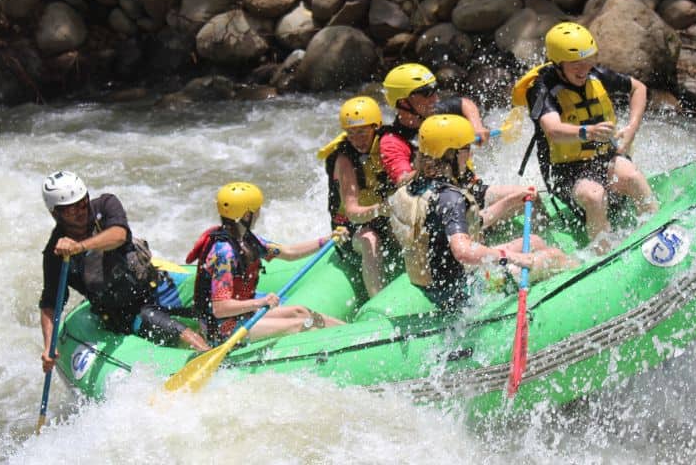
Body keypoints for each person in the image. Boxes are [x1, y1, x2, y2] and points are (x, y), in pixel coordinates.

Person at [389, 115, 574, 311]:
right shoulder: (449, 198)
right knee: (554, 256)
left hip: (437, 287)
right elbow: (463, 251)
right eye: (466, 149)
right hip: (466, 291)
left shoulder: (416, 187)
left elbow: (470, 223)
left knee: (535, 241)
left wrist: (510, 201)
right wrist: (509, 256)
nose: (470, 156)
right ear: (450, 154)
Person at [39, 171, 209, 374]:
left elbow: (119, 235)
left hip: (156, 285)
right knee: (180, 331)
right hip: (127, 313)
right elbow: (50, 303)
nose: (79, 211)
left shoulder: (105, 205)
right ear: (55, 214)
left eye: (82, 203)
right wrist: (49, 344)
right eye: (70, 209)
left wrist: (80, 246)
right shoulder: (55, 253)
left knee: (212, 296)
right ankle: (211, 356)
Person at [512, 22, 657, 251]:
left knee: (632, 176)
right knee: (594, 195)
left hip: (602, 157)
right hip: (566, 170)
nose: (584, 68)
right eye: (576, 64)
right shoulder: (540, 89)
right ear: (559, 64)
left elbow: (638, 88)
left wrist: (631, 128)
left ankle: (657, 230)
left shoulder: (595, 74)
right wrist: (587, 132)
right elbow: (553, 130)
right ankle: (603, 253)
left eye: (588, 60)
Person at [186, 182, 345, 343]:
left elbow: (289, 253)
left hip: (242, 315)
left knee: (300, 311)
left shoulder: (247, 241)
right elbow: (220, 308)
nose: (259, 214)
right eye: (256, 210)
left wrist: (325, 241)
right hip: (221, 328)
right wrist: (260, 302)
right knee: (300, 324)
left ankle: (351, 331)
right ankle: (346, 342)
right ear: (247, 215)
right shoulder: (224, 254)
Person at [379, 63, 529, 229]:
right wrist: (432, 165)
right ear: (404, 102)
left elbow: (464, 103)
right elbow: (402, 180)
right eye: (426, 93)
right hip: (438, 206)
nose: (435, 98)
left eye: (434, 90)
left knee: (528, 197)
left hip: (467, 189)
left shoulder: (435, 113)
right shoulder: (392, 141)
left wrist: (476, 125)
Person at [317, 96, 396, 297]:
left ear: (375, 127)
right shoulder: (344, 159)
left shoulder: (390, 145)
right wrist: (381, 209)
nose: (356, 139)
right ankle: (377, 301)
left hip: (384, 218)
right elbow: (352, 211)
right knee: (370, 239)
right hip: (351, 229)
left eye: (361, 131)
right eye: (351, 133)